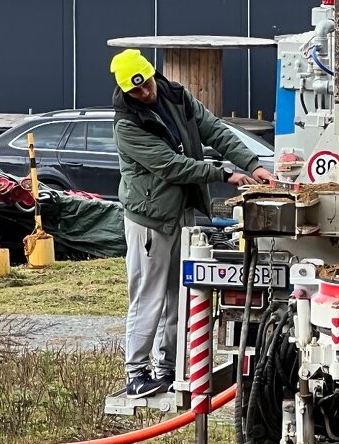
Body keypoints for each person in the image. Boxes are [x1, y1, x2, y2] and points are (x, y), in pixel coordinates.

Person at [110, 48, 274, 398]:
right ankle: (136, 372)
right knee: (147, 296)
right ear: (126, 91)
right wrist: (224, 172)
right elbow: (171, 166)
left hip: (182, 210)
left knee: (177, 295)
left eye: (148, 84)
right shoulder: (128, 125)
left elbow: (215, 129)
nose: (146, 93)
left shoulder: (175, 96)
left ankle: (165, 368)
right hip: (150, 221)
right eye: (137, 91)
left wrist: (252, 162)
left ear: (153, 73)